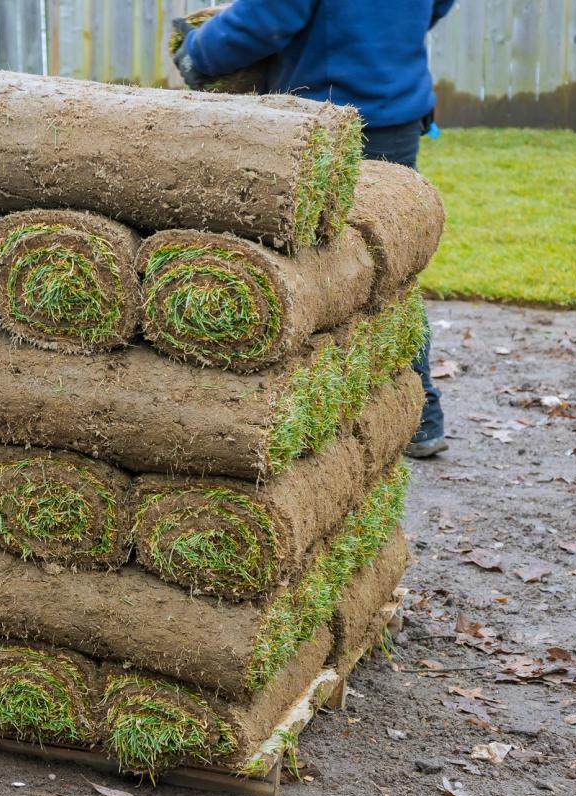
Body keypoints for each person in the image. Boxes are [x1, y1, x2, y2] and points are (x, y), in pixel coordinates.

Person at [174, 0, 455, 458]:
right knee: (391, 268)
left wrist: (200, 51)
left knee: (320, 262)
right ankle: (421, 417)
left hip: (327, 122)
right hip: (398, 110)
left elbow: (266, 17)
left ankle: (328, 418)